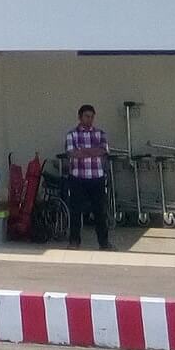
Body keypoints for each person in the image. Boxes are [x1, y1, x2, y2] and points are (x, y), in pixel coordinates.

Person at [63, 104, 112, 251]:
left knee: (100, 211)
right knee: (76, 210)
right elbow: (72, 153)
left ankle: (104, 243)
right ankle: (74, 242)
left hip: (97, 177)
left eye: (91, 117)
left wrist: (83, 151)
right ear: (80, 117)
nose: (89, 119)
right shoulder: (71, 134)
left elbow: (103, 151)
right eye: (86, 116)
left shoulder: (100, 133)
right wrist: (93, 151)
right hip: (78, 177)